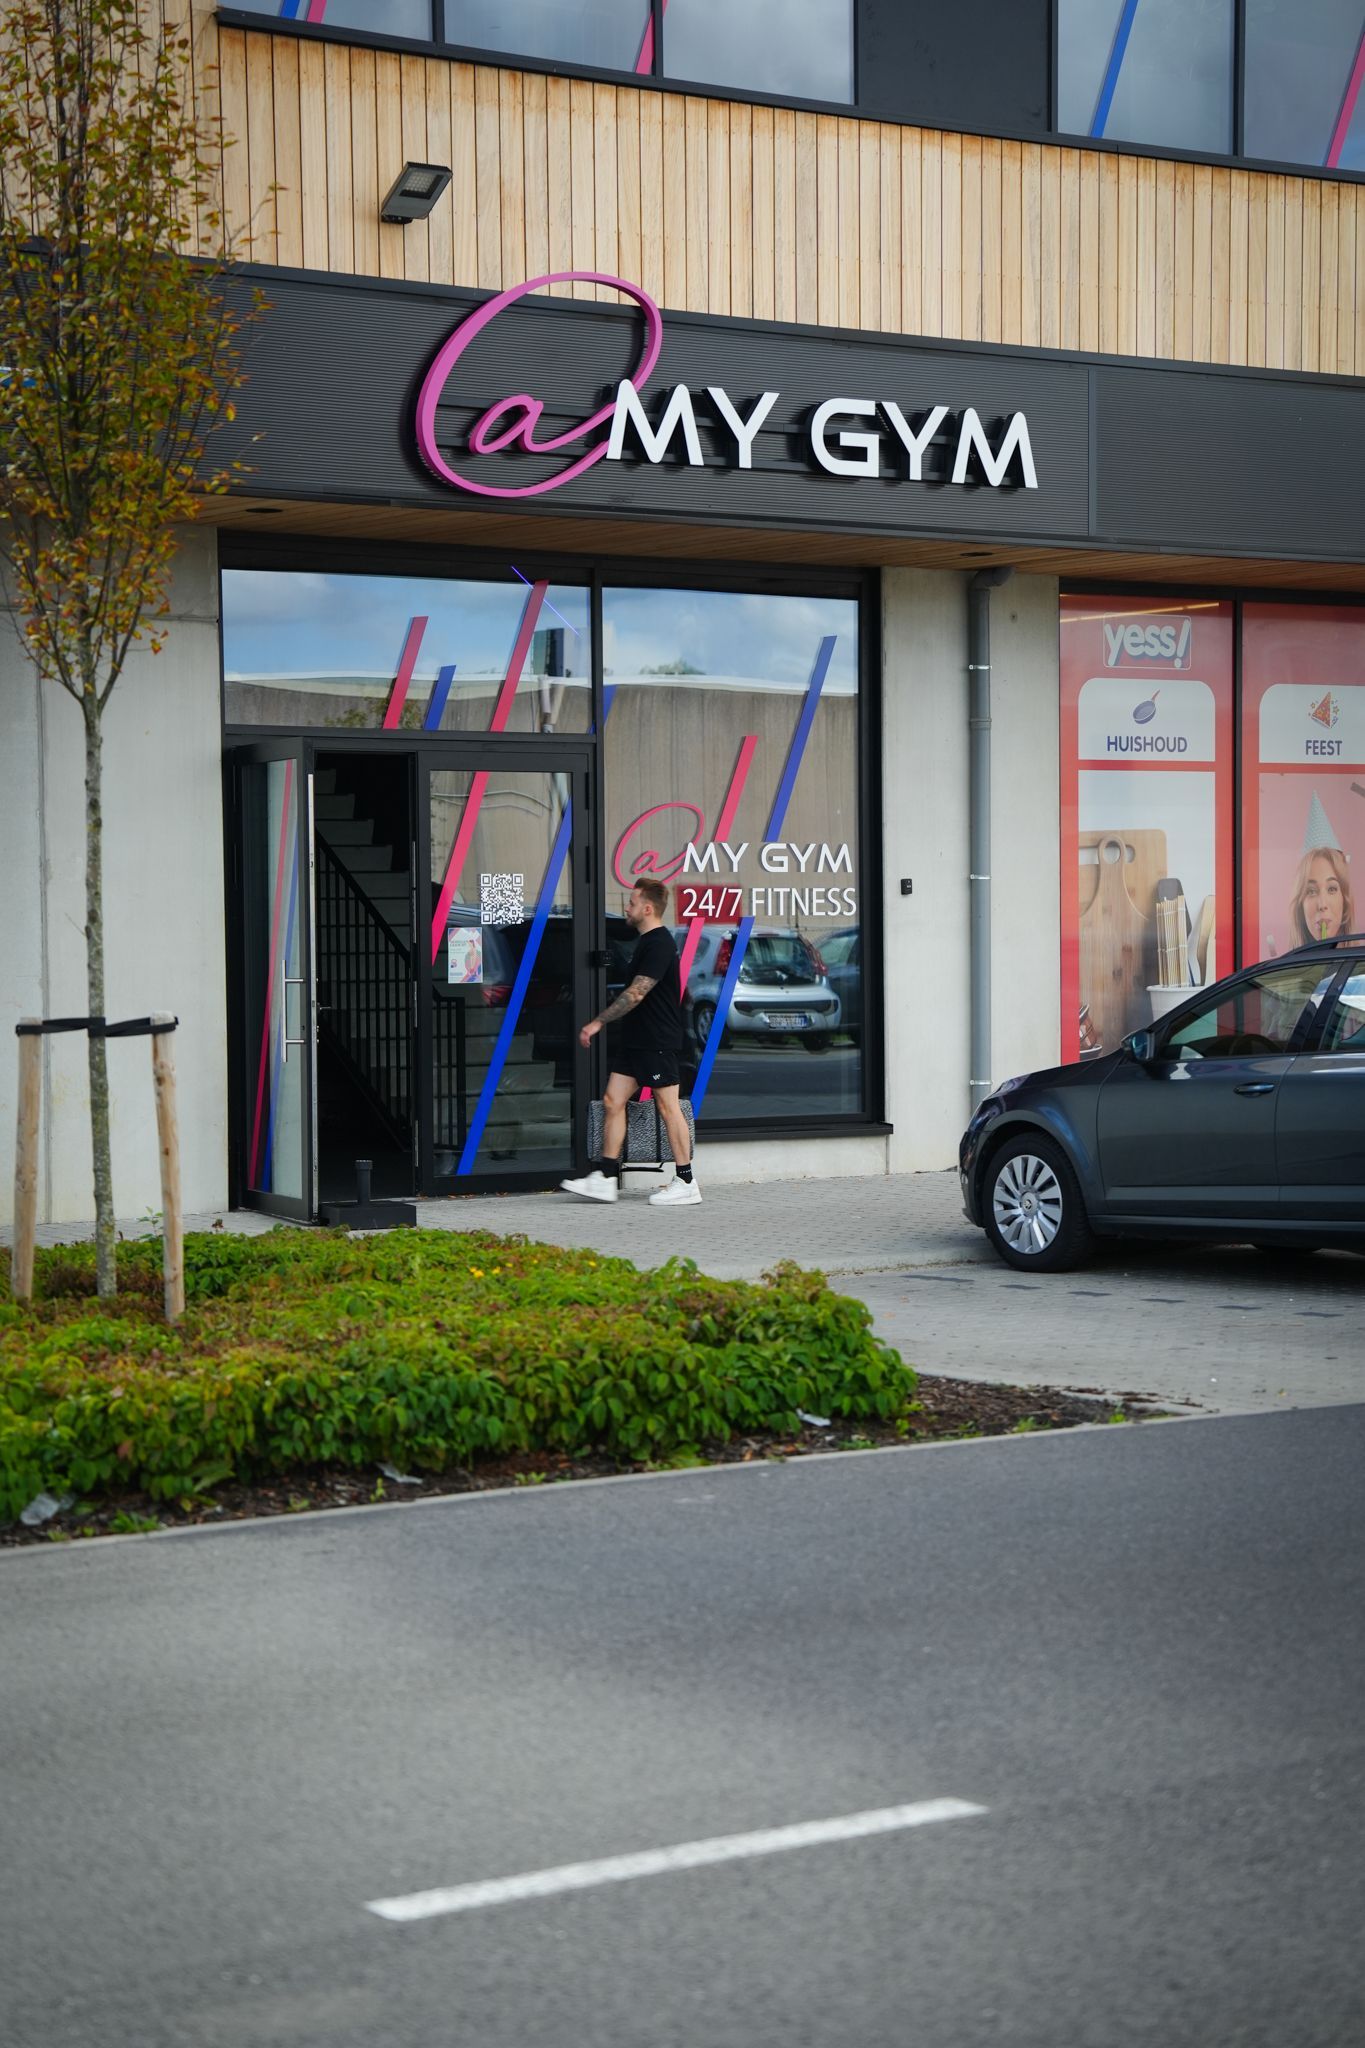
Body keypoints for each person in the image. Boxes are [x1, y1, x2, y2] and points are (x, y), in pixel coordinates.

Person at [560, 878, 700, 1207]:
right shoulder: (645, 942)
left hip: (657, 1041)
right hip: (637, 1040)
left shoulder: (659, 943)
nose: (628, 907)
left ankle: (686, 1181)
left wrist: (598, 1022)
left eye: (633, 903)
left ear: (647, 908)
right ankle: (606, 1179)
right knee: (612, 1101)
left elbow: (637, 993)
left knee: (668, 1107)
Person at [1288, 845, 1354, 946]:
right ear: (1300, 907)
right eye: (1311, 891)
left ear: (1344, 901)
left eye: (1331, 889)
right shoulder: (1289, 962)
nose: (1322, 905)